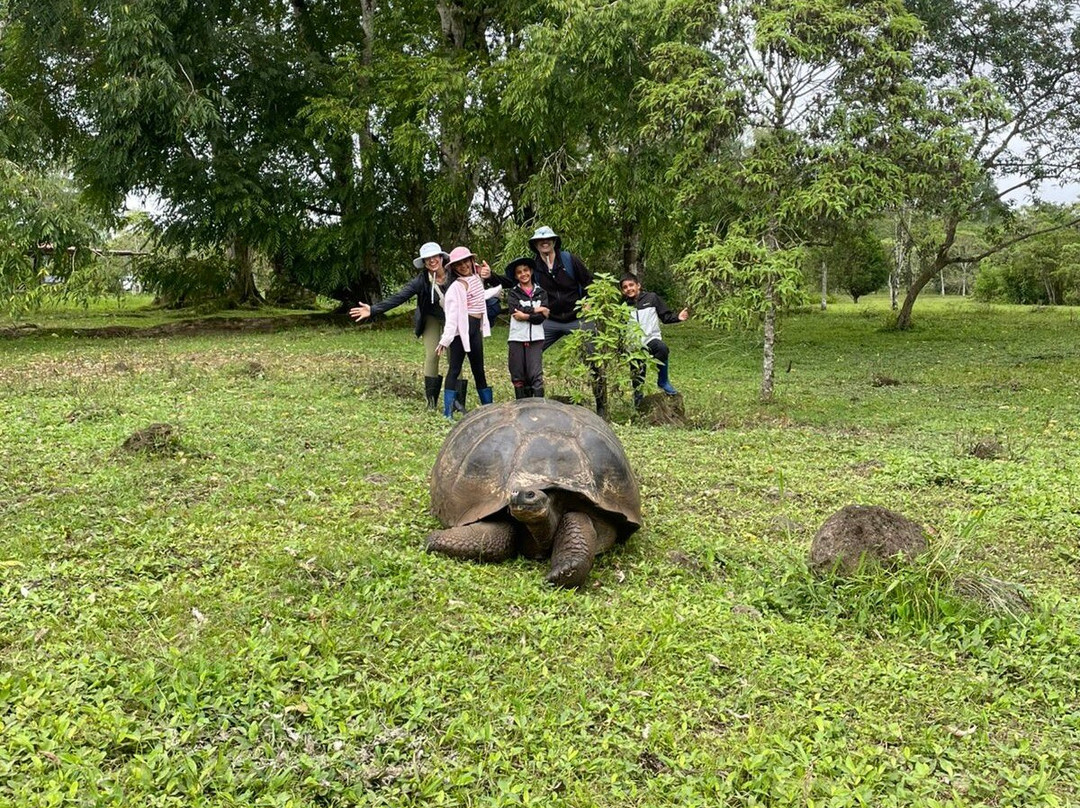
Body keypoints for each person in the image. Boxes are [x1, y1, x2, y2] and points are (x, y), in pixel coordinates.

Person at [349, 242, 458, 410]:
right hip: (431, 318)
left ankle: (457, 402)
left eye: (434, 257)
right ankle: (431, 402)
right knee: (432, 355)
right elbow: (399, 297)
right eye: (427, 259)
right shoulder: (421, 281)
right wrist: (373, 310)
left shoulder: (455, 274)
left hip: (455, 318)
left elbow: (475, 284)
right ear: (424, 263)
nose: (432, 261)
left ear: (441, 257)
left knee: (455, 358)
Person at [436, 246, 503, 418]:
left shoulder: (474, 278)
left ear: (472, 261)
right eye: (458, 264)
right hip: (461, 331)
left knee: (478, 369)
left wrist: (498, 288)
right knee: (454, 369)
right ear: (454, 268)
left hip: (474, 330)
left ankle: (489, 409)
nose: (463, 266)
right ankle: (447, 412)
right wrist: (445, 340)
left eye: (466, 261)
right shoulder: (456, 288)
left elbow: (481, 295)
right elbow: (451, 317)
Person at [619, 274, 689, 404]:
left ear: (638, 285)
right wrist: (620, 347)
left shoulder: (652, 298)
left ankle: (663, 381)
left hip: (651, 339)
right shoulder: (622, 305)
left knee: (662, 349)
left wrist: (678, 317)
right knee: (637, 374)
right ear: (622, 290)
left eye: (631, 285)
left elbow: (665, 316)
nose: (629, 289)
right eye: (625, 287)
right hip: (633, 345)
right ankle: (638, 399)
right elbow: (620, 328)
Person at [527, 226, 593, 350]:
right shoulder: (534, 267)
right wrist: (491, 276)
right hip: (550, 319)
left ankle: (594, 370)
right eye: (540, 240)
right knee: (531, 352)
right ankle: (532, 370)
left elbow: (589, 281)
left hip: (577, 318)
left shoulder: (569, 260)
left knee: (592, 353)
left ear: (554, 241)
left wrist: (588, 302)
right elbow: (514, 281)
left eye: (548, 239)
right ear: (535, 244)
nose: (544, 242)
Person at [504, 257, 550, 398]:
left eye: (525, 270)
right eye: (519, 272)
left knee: (535, 374)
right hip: (517, 337)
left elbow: (542, 318)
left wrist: (526, 315)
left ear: (531, 271)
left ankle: (539, 407)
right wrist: (537, 309)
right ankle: (521, 405)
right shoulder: (513, 293)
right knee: (517, 373)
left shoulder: (541, 292)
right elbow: (515, 311)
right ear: (516, 276)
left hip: (536, 337)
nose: (523, 274)